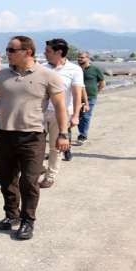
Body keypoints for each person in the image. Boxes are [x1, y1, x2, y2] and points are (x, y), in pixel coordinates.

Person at [0, 35, 69, 240]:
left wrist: (63, 134)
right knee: (6, 180)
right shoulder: (1, 74)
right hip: (4, 134)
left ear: (28, 52)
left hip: (32, 137)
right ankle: (11, 215)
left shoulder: (48, 76)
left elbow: (60, 107)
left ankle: (27, 221)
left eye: (12, 50)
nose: (7, 53)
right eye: (7, 49)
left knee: (29, 182)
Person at [40, 39, 84, 188]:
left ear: (59, 52)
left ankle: (50, 176)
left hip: (62, 113)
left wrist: (76, 115)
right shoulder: (42, 68)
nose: (45, 53)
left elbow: (77, 95)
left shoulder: (74, 69)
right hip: (40, 112)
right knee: (35, 143)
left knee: (55, 146)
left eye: (48, 51)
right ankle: (38, 168)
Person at [77, 51, 105, 144]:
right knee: (78, 116)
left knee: (85, 116)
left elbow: (102, 82)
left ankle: (83, 135)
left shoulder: (95, 69)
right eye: (79, 57)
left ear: (88, 58)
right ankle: (81, 133)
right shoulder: (76, 69)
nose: (79, 59)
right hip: (76, 96)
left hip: (90, 97)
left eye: (82, 57)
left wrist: (96, 92)